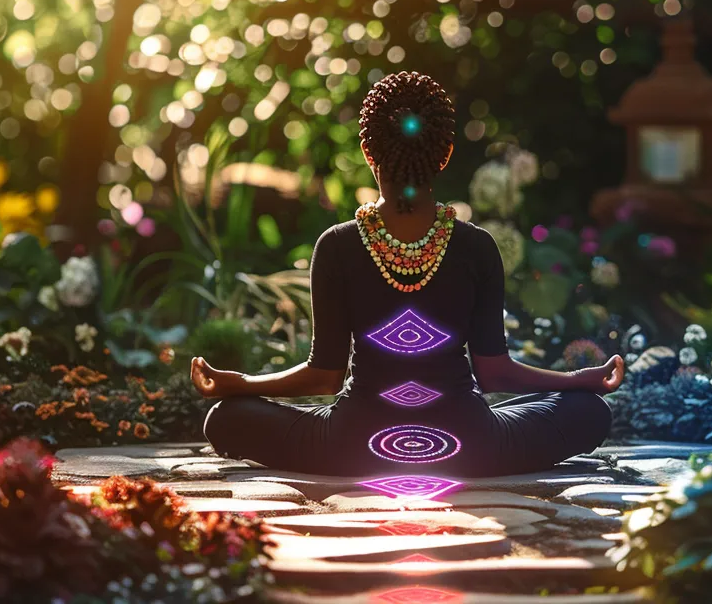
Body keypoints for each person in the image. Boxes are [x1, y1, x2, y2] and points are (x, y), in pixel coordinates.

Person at [194, 71, 622, 479]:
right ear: (447, 153)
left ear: (367, 152)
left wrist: (244, 384)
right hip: (469, 443)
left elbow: (324, 376)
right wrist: (574, 381)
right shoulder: (476, 246)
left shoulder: (337, 245)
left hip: (352, 443)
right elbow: (495, 374)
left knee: (227, 418)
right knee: (588, 411)